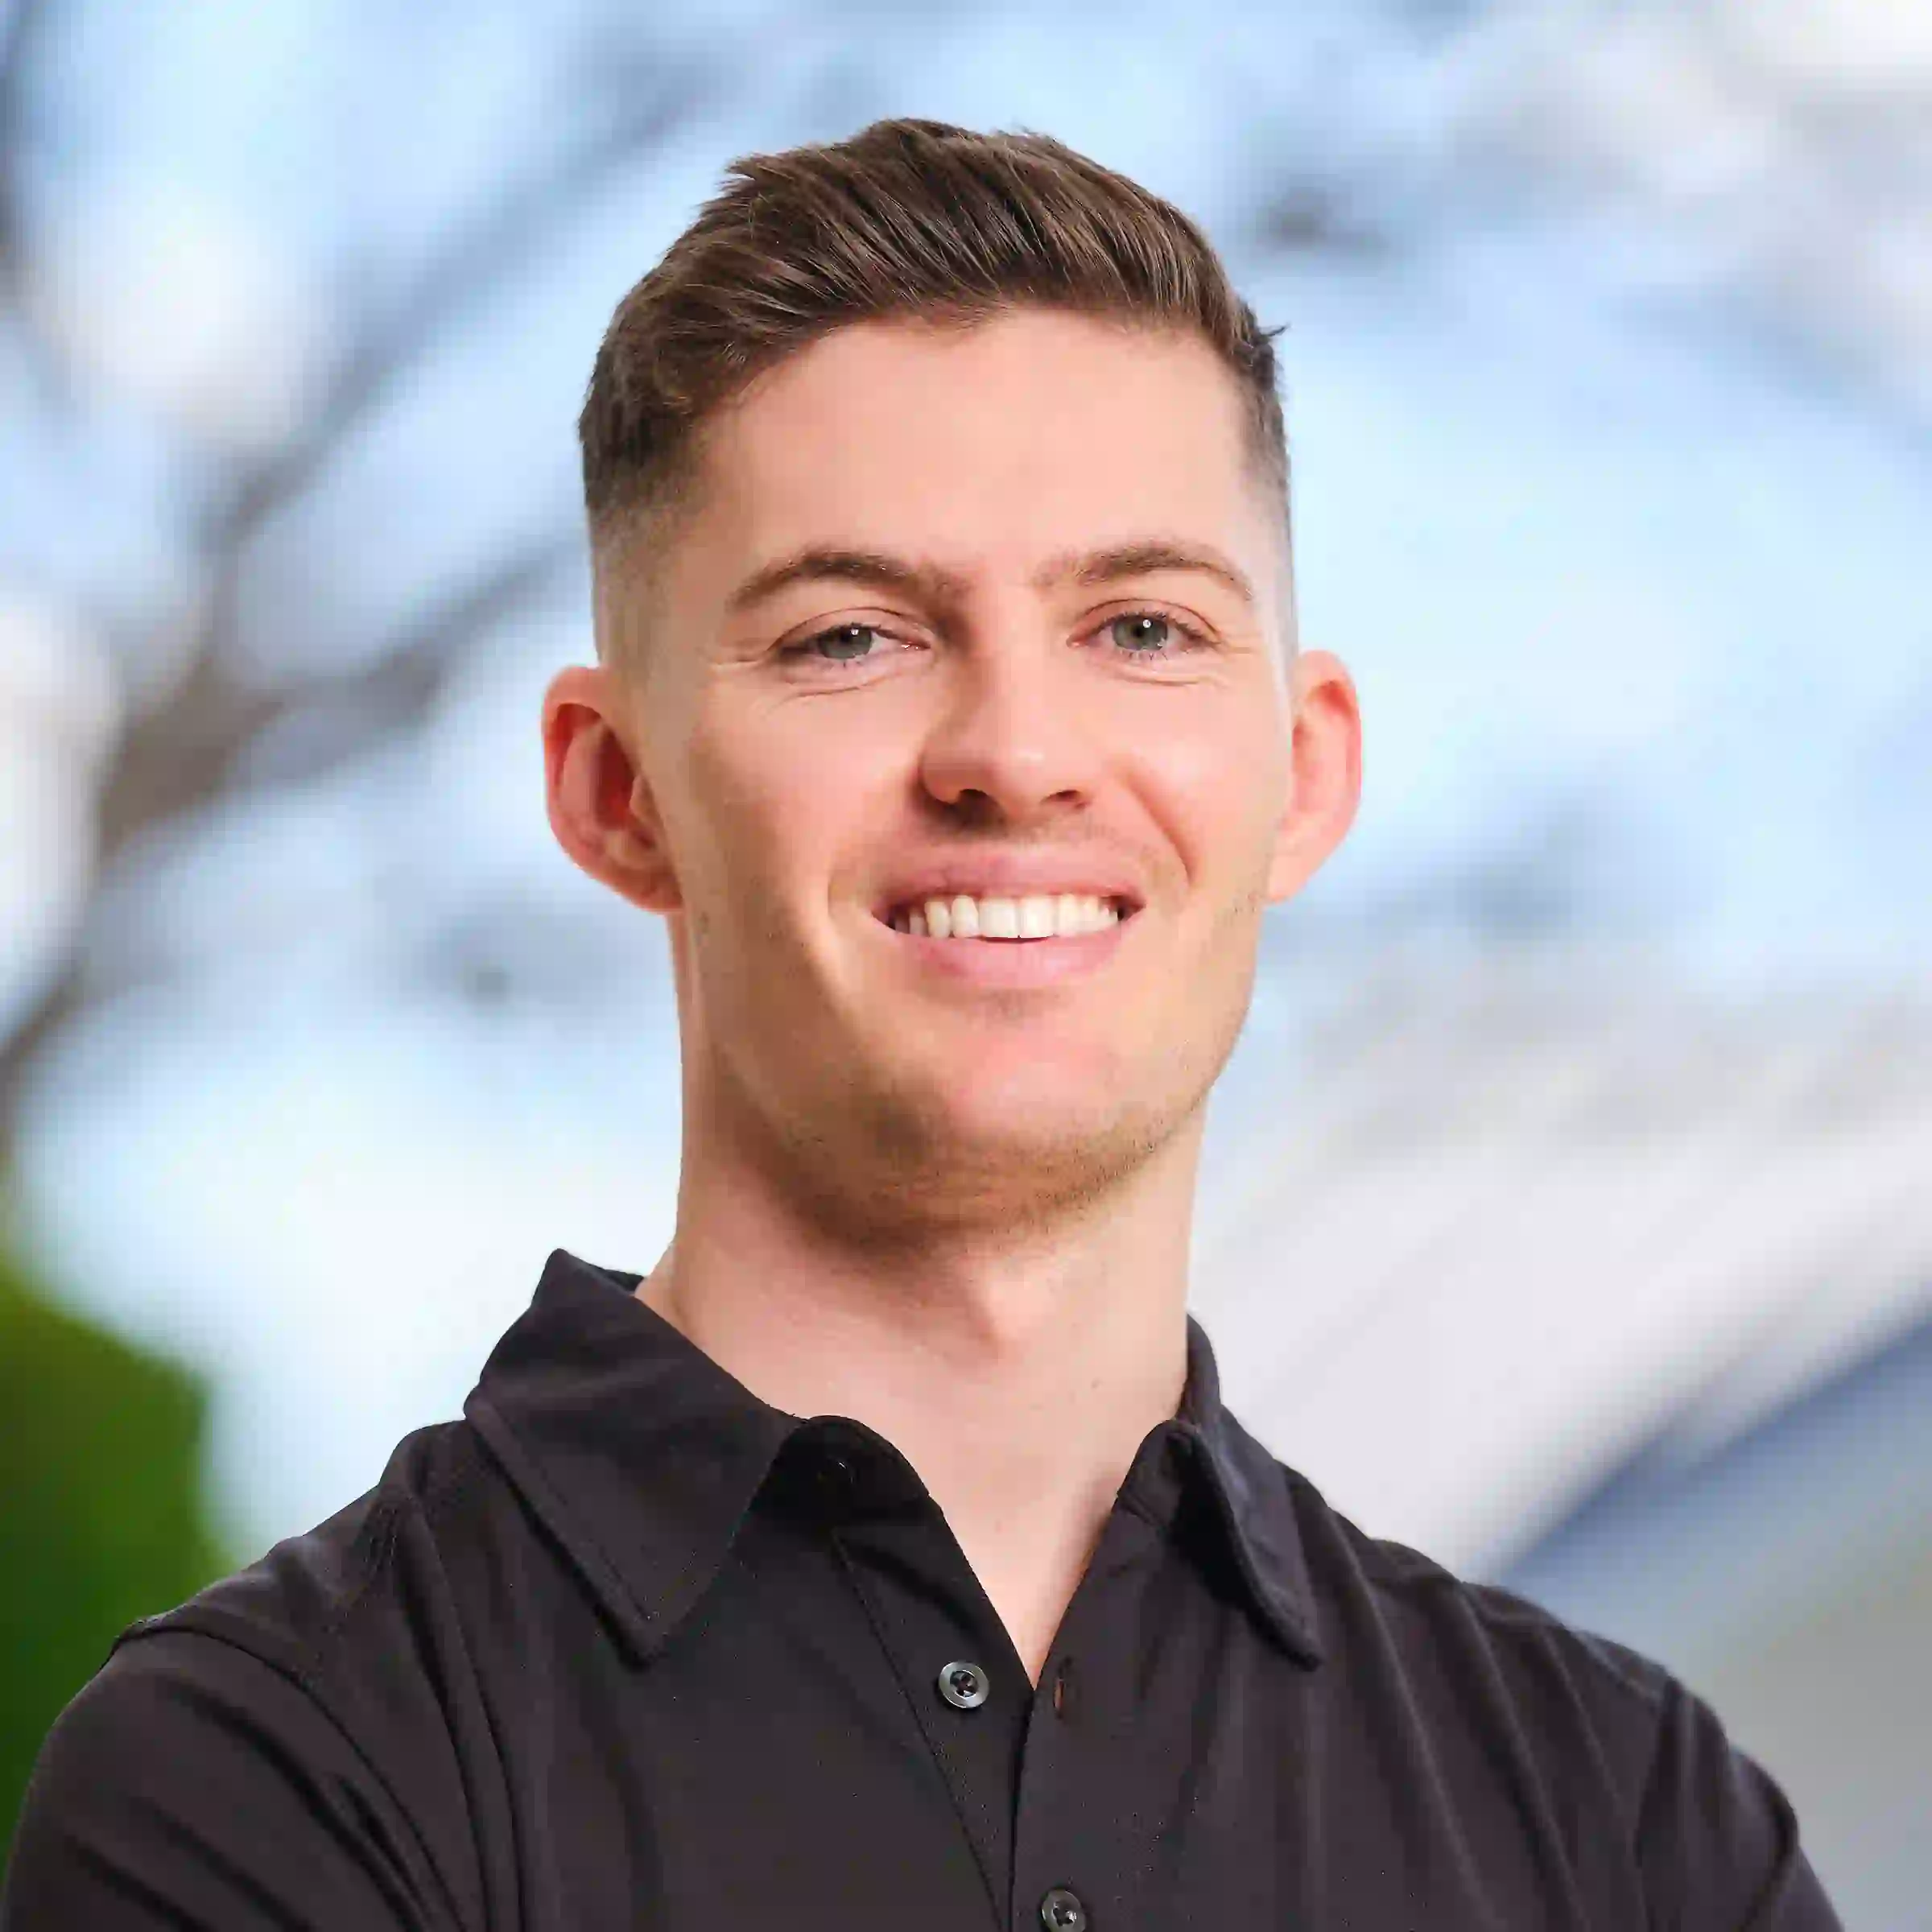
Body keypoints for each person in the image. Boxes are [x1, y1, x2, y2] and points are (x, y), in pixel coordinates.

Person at [2, 118, 1841, 1930]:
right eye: (852, 638)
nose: (1016, 758)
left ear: (1302, 773)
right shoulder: (276, 1781)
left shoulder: (1626, 1823)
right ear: (616, 789)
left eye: (1140, 628)